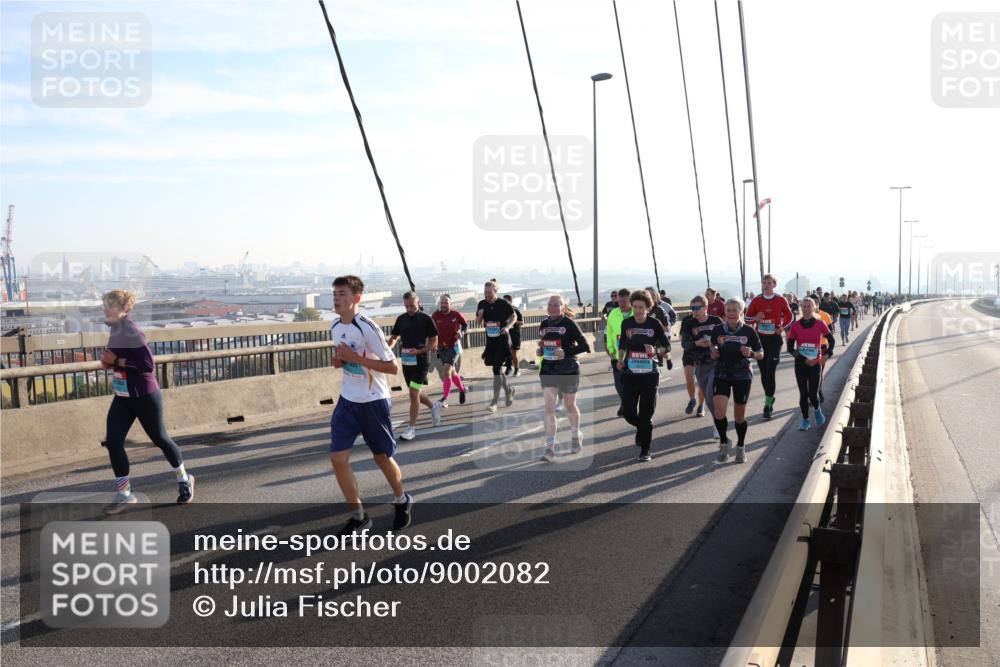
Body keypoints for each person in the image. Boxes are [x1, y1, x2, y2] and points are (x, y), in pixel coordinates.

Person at [329, 275, 412, 534]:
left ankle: (402, 499)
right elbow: (346, 360)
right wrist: (342, 361)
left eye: (342, 294)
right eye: (334, 294)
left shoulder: (367, 327)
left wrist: (355, 358)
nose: (336, 298)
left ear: (356, 298)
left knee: (381, 457)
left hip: (373, 401)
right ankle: (359, 516)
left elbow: (392, 366)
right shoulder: (334, 326)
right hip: (347, 400)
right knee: (337, 458)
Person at [99, 290, 194, 514]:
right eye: (104, 305)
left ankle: (184, 479)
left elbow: (147, 364)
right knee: (113, 442)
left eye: (109, 305)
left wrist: (117, 360)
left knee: (160, 439)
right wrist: (109, 362)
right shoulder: (116, 329)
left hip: (144, 394)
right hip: (123, 396)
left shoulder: (131, 330)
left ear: (124, 309)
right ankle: (125, 494)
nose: (105, 309)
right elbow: (119, 361)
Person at [617, 290, 671, 462]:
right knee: (628, 413)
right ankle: (643, 427)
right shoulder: (627, 323)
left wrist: (656, 351)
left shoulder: (654, 324)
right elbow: (623, 344)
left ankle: (645, 450)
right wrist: (620, 359)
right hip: (631, 373)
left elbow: (667, 347)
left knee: (646, 413)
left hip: (649, 375)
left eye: (641, 307)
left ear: (647, 307)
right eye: (635, 307)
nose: (638, 310)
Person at [710, 296, 764, 463]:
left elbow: (761, 354)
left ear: (741, 312)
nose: (731, 313)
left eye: (735, 310)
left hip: (742, 375)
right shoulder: (718, 330)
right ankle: (724, 443)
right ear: (725, 312)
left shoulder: (748, 331)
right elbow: (713, 347)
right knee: (719, 412)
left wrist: (752, 354)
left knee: (739, 416)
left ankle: (740, 446)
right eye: (728, 310)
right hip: (722, 374)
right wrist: (713, 352)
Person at [537, 295, 591, 462]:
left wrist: (566, 352)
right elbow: (546, 344)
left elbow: (585, 346)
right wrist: (541, 351)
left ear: (563, 307)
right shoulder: (544, 324)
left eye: (556, 305)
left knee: (569, 405)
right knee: (549, 408)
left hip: (568, 369)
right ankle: (549, 447)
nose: (552, 307)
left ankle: (576, 435)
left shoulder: (569, 323)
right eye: (550, 304)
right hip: (548, 369)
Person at [388, 293, 440, 441]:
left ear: (419, 302)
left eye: (412, 305)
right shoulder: (401, 319)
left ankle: (411, 428)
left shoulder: (426, 319)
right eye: (406, 306)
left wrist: (419, 351)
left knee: (412, 394)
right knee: (415, 393)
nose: (409, 308)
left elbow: (433, 342)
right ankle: (433, 406)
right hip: (407, 362)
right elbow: (394, 337)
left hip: (422, 361)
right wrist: (387, 349)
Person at [745, 274, 794, 420]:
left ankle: (767, 405)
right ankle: (770, 397)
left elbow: (790, 317)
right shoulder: (756, 300)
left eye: (769, 283)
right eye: (764, 283)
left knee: (770, 370)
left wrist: (782, 327)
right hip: (760, 340)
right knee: (764, 372)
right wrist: (755, 318)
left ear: (774, 285)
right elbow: (747, 319)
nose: (766, 285)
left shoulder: (780, 300)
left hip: (774, 340)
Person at [787, 297, 834, 431]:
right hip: (801, 363)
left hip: (816, 363)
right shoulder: (795, 325)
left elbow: (832, 341)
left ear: (814, 308)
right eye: (804, 306)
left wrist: (826, 355)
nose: (807, 309)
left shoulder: (820, 324)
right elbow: (790, 348)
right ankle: (805, 420)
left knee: (813, 394)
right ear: (801, 308)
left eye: (809, 306)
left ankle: (817, 410)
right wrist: (804, 359)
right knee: (803, 394)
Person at [680, 294, 723, 424]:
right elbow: (685, 344)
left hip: (714, 361)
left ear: (705, 308)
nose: (694, 310)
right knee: (695, 382)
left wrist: (713, 344)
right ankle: (694, 401)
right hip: (697, 360)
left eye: (697, 307)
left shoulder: (716, 321)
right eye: (692, 308)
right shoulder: (688, 323)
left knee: (711, 392)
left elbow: (724, 340)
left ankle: (717, 421)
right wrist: (697, 343)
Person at [476, 279, 517, 413]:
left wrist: (508, 327)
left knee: (496, 368)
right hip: (491, 341)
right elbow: (477, 321)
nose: (487, 294)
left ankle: (494, 402)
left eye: (489, 292)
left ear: (495, 291)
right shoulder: (482, 303)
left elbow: (514, 316)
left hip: (503, 340)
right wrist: (480, 315)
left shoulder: (503, 303)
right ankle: (509, 391)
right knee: (497, 369)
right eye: (485, 292)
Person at [431, 294, 469, 407]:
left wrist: (461, 333)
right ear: (439, 304)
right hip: (442, 348)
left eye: (446, 303)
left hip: (454, 346)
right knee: (452, 372)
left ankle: (445, 398)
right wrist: (432, 344)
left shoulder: (456, 314)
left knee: (447, 369)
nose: (443, 305)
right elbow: (431, 330)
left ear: (450, 304)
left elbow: (465, 325)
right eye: (442, 302)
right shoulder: (435, 315)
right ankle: (462, 389)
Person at [605, 288, 632, 416]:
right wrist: (610, 348)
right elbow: (609, 332)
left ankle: (626, 405)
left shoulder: (636, 314)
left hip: (632, 355)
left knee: (630, 383)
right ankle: (625, 403)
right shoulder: (613, 314)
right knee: (618, 383)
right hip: (617, 354)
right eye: (620, 301)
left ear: (630, 300)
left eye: (624, 301)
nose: (621, 304)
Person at [502, 294, 524, 377]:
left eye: (505, 301)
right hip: (506, 334)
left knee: (513, 353)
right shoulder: (503, 310)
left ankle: (516, 370)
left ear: (510, 301)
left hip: (515, 334)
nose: (504, 303)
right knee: (507, 352)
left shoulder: (516, 310)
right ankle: (508, 368)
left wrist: (512, 322)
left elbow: (522, 322)